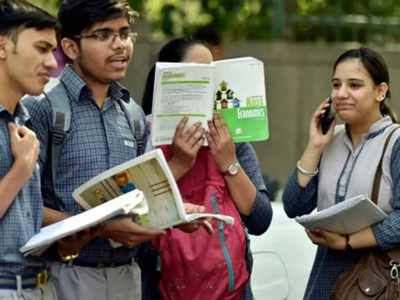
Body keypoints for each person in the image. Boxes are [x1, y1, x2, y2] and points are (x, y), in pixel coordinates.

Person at [22, 1, 165, 300]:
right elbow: (22, 205)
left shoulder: (132, 113)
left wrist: (173, 213)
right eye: (103, 35)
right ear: (71, 48)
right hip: (65, 274)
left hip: (127, 274)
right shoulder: (43, 107)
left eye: (125, 33)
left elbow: (137, 196)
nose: (120, 45)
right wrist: (102, 228)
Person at [141, 37, 273, 300]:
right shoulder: (144, 132)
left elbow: (260, 220)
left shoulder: (232, 139)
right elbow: (134, 213)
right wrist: (177, 164)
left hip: (232, 291)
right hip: (162, 288)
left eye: (212, 74)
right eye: (196, 74)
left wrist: (228, 162)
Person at [282, 47, 400, 299]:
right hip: (325, 279)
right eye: (336, 85)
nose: (341, 94)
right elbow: (294, 205)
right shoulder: (329, 141)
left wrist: (348, 241)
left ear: (381, 91)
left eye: (354, 85)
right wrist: (313, 147)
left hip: (378, 281)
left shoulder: (395, 142)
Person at [0, 0, 58, 299]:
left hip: (36, 286)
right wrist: (21, 169)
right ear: (3, 47)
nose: (52, 63)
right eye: (41, 48)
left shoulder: (24, 122)